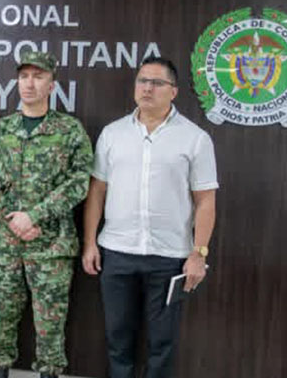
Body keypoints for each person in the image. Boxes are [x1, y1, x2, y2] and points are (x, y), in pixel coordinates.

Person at [82, 56, 218, 378]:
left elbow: (206, 201)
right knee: (118, 339)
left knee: (162, 344)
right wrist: (90, 243)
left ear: (174, 91)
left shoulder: (195, 138)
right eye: (142, 81)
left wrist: (198, 254)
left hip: (169, 258)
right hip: (117, 254)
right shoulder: (112, 134)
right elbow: (97, 191)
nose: (147, 88)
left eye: (157, 83)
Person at [0, 50, 94, 378]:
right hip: (6, 247)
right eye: (24, 76)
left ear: (51, 85)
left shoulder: (70, 130)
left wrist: (35, 216)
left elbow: (79, 182)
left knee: (50, 331)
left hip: (51, 250)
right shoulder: (1, 130)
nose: (29, 83)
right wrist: (12, 220)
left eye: (38, 76)